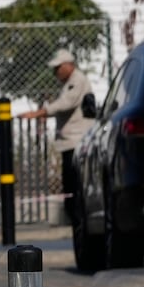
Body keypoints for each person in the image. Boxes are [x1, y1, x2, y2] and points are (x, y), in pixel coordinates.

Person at [17, 48, 94, 230]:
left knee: (74, 188)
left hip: (77, 142)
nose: (55, 72)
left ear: (68, 65)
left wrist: (38, 113)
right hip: (69, 143)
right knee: (70, 189)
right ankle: (78, 223)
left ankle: (80, 223)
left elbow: (65, 104)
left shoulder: (77, 81)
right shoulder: (69, 83)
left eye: (58, 68)